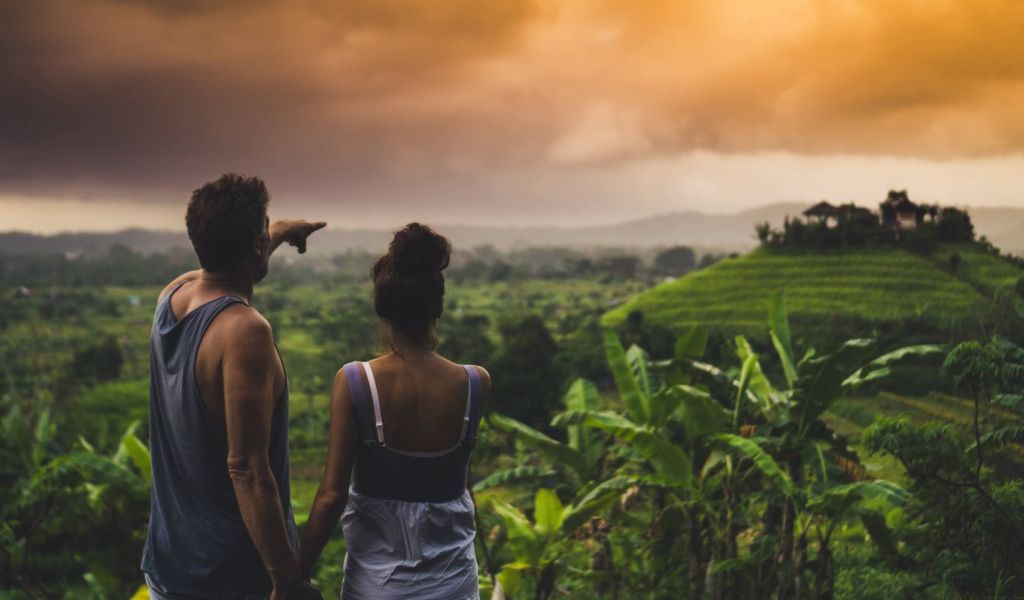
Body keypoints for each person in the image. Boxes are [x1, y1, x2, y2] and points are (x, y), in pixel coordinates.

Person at [142, 173, 325, 600]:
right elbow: (246, 468)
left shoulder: (171, 296)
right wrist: (285, 580)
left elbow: (219, 266)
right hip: (231, 577)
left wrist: (275, 232)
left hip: (170, 567)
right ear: (255, 245)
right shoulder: (244, 331)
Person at [298, 223, 490, 599]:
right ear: (438, 304)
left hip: (376, 586)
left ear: (381, 307)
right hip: (455, 584)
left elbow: (331, 495)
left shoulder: (356, 382)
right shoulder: (474, 383)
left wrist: (293, 576)